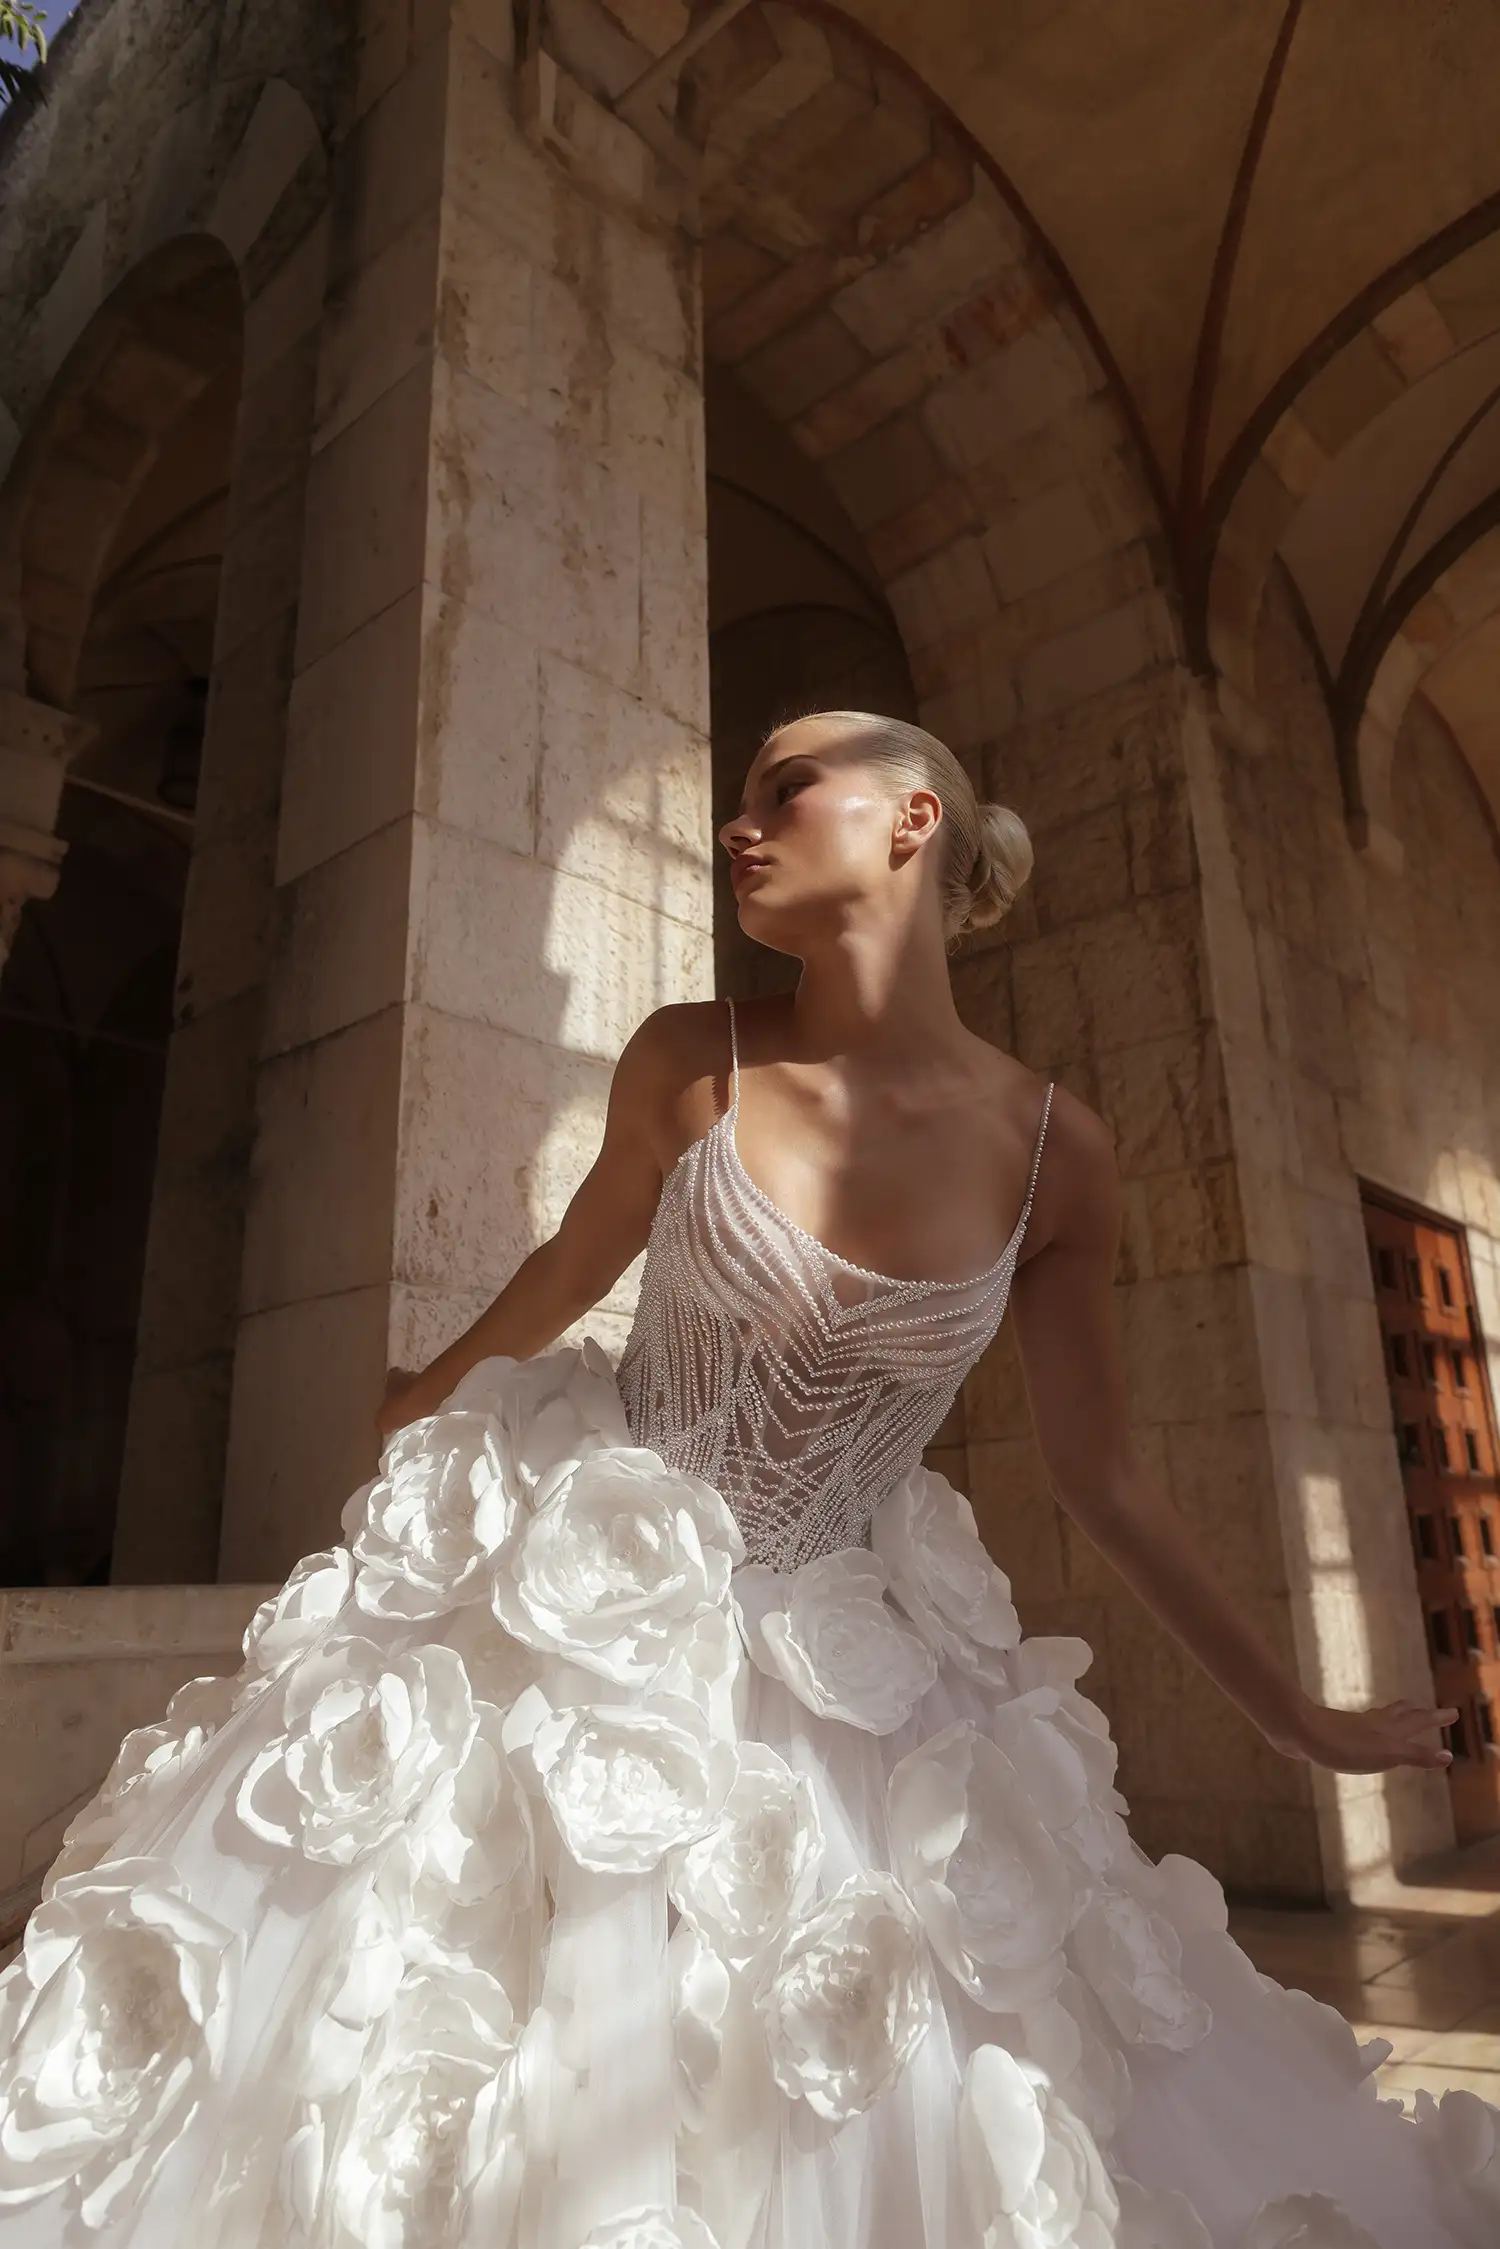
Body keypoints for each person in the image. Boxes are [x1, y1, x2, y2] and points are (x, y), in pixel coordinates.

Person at [0, 711, 1492, 2249]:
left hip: (861, 1694)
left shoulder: (1060, 1154)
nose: (740, 824)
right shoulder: (693, 1058)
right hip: (584, 1628)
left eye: (786, 788)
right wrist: (419, 1398)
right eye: (737, 798)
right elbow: (564, 1270)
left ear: (913, 820)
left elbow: (1105, 1476)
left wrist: (1297, 1719)